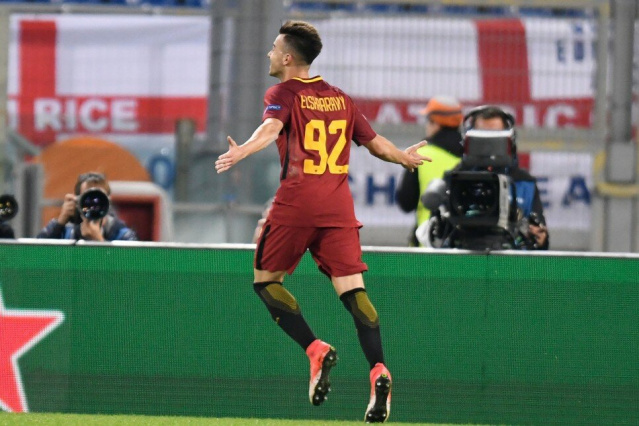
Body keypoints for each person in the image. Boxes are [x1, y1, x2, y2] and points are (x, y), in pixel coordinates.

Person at [215, 20, 430, 423]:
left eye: (273, 47)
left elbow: (270, 128)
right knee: (354, 291)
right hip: (338, 208)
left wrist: (243, 150)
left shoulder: (283, 93)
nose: (269, 53)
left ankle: (315, 350)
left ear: (288, 58)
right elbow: (375, 144)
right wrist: (404, 156)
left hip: (297, 203)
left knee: (266, 281)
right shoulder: (340, 99)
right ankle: (379, 370)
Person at [434, 105, 549, 249]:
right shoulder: (454, 180)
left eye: (495, 137)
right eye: (482, 137)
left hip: (511, 259)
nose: (488, 145)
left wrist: (540, 238)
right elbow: (439, 233)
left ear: (509, 141)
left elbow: (540, 239)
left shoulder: (524, 183)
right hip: (461, 257)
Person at [395, 96, 463, 246]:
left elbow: (406, 202)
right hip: (463, 246)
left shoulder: (421, 155)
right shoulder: (471, 155)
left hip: (427, 245)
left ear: (435, 123)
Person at [37, 172, 138, 241]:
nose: (93, 205)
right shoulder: (67, 232)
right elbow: (36, 256)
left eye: (99, 199)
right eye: (88, 200)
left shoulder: (122, 235)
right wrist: (59, 223)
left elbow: (131, 265)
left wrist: (99, 242)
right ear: (77, 201)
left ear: (108, 202)